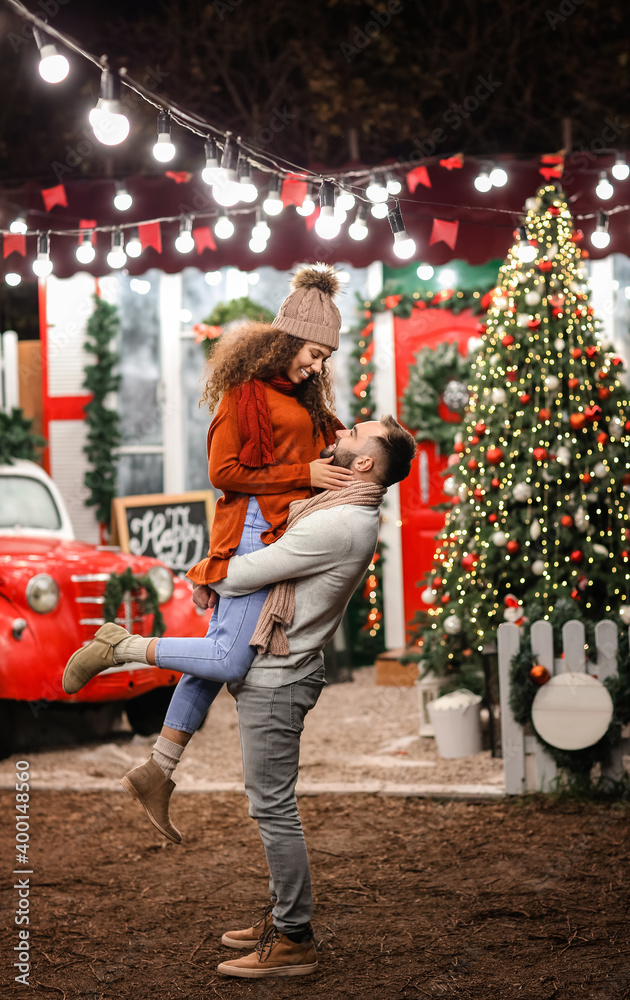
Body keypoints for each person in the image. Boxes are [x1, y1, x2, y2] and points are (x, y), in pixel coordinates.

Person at [62, 413, 416, 979]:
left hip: (279, 677)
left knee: (273, 808)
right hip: (281, 668)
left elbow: (240, 575)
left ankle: (294, 939)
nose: (341, 433)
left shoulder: (340, 523)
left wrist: (211, 565)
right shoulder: (339, 508)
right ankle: (283, 916)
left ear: (367, 463)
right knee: (271, 804)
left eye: (353, 434)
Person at [66, 263, 352, 844]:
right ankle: (121, 646)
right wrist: (307, 472)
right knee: (227, 661)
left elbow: (316, 464)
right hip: (250, 532)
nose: (318, 365)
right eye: (313, 353)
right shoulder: (245, 394)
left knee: (210, 659)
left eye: (325, 357)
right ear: (287, 337)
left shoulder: (305, 398)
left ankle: (159, 769)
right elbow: (225, 472)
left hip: (281, 534)